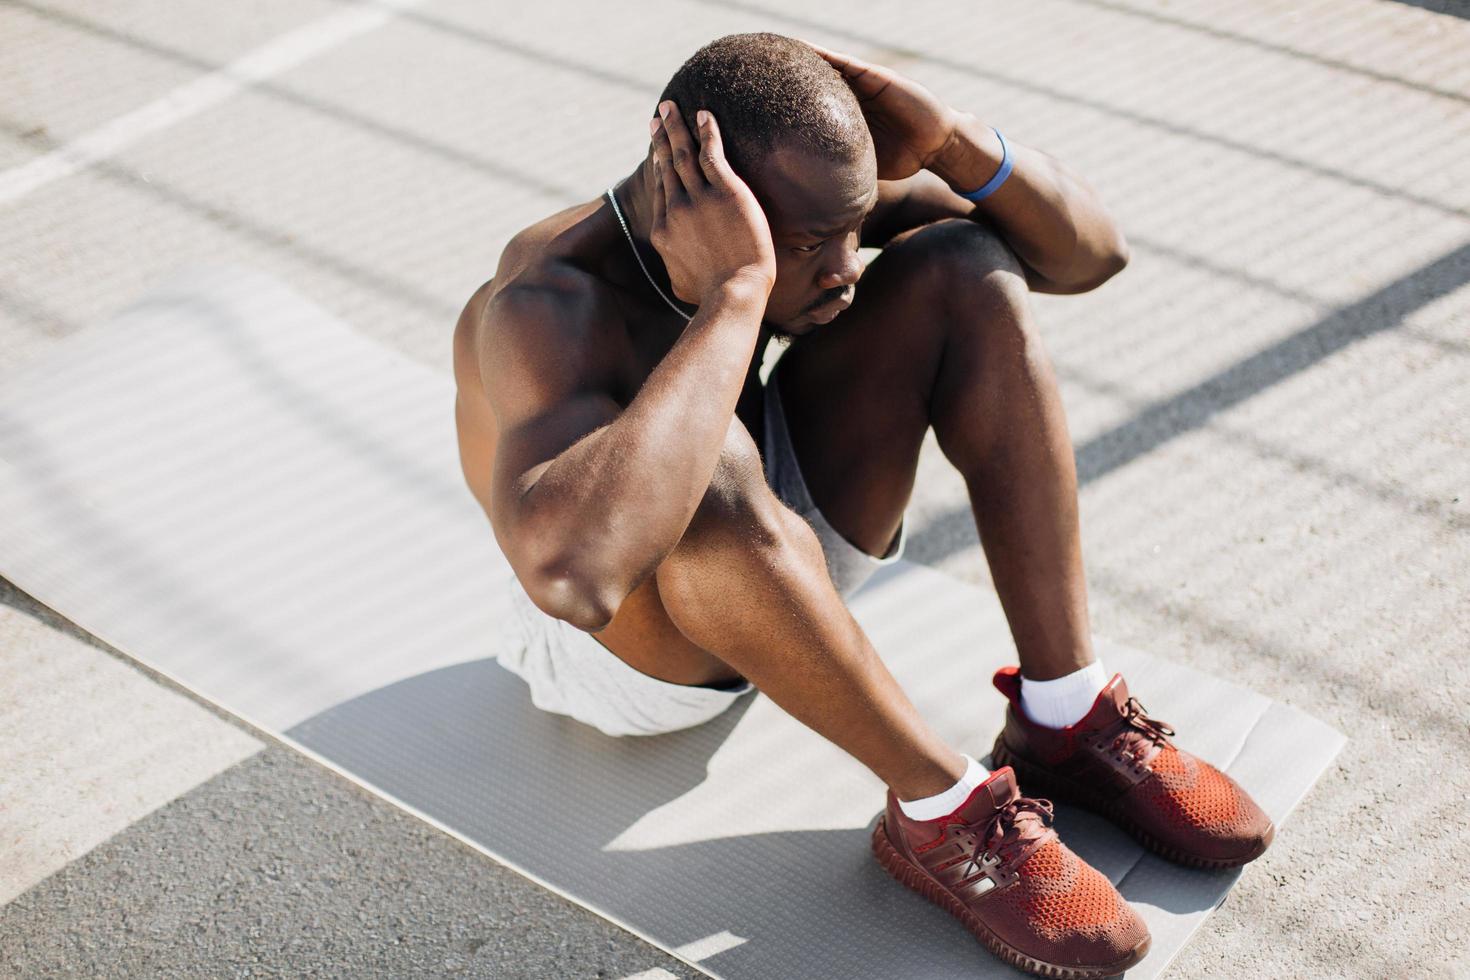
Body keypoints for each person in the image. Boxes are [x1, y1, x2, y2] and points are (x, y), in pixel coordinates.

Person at [452, 32, 1272, 978]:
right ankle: (941, 815)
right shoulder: (545, 302)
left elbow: (1091, 257)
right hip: (626, 654)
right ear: (703, 203)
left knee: (967, 267)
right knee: (703, 451)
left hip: (775, 544)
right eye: (809, 246)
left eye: (849, 230)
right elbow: (573, 579)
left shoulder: (808, 213)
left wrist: (960, 141)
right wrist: (738, 294)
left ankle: (1064, 716)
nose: (844, 267)